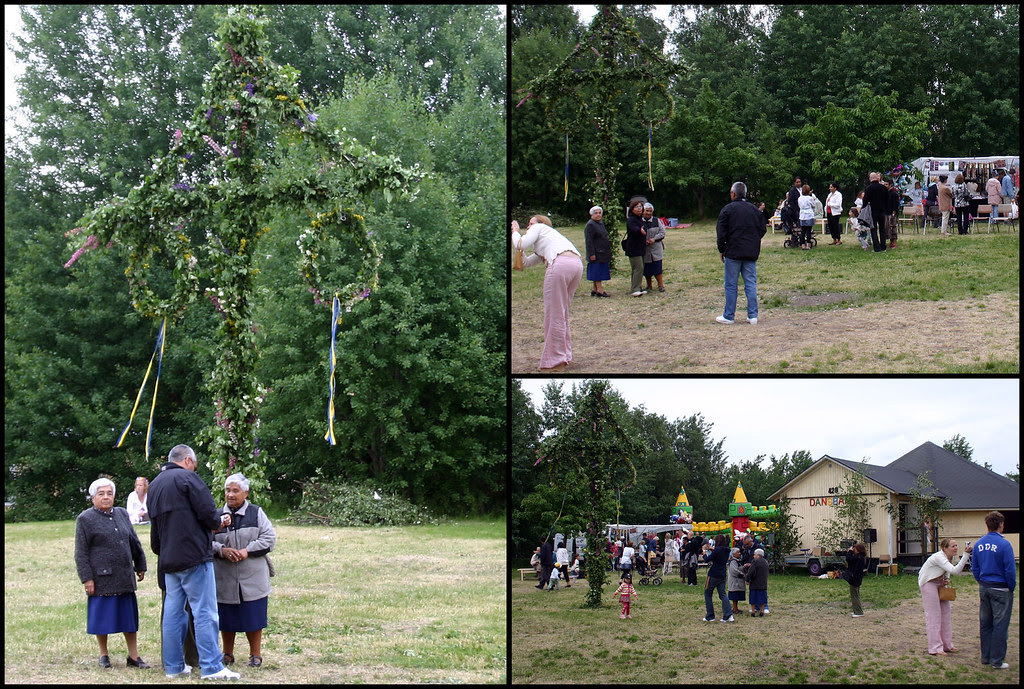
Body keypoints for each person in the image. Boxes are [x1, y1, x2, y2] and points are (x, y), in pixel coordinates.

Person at [147, 444, 239, 680]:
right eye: (195, 464)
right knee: (205, 611)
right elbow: (208, 514)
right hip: (194, 555)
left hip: (168, 558)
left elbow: (155, 527)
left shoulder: (154, 485)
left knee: (173, 613)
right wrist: (220, 520)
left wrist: (161, 551)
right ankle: (212, 666)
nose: (195, 468)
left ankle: (174, 666)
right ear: (187, 460)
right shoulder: (188, 479)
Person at [75, 478, 150, 669]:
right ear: (93, 497)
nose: (106, 497)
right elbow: (81, 553)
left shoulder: (122, 514)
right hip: (101, 578)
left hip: (124, 575)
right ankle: (104, 655)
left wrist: (140, 564)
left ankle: (133, 656)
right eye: (101, 494)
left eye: (109, 493)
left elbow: (134, 541)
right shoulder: (85, 519)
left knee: (129, 619)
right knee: (101, 618)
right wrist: (87, 578)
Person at [213, 473, 276, 668]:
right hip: (224, 577)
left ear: (246, 493)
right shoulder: (216, 516)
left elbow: (269, 538)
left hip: (253, 577)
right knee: (226, 616)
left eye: (235, 490)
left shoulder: (256, 513)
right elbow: (204, 541)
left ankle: (255, 655)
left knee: (254, 616)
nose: (230, 494)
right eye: (227, 490)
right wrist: (221, 550)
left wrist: (246, 551)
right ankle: (227, 653)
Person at [511, 216, 583, 372]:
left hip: (559, 264)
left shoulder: (540, 228)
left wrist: (515, 231)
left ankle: (555, 362)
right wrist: (519, 249)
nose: (528, 227)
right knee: (562, 313)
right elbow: (525, 262)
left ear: (541, 224)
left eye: (531, 223)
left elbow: (520, 243)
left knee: (554, 314)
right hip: (576, 265)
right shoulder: (550, 241)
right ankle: (564, 355)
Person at [715, 181, 767, 325]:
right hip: (750, 252)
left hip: (733, 251)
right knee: (750, 283)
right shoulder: (755, 210)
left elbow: (721, 231)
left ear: (733, 194)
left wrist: (722, 249)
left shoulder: (728, 210)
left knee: (731, 284)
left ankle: (729, 315)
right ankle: (753, 315)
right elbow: (762, 229)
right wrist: (754, 240)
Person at [971, 510, 1016, 670]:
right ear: (1001, 525)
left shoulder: (979, 544)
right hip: (1001, 588)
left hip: (985, 587)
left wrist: (981, 580)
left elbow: (974, 567)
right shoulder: (1005, 544)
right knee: (1000, 624)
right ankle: (997, 660)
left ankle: (986, 657)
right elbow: (1010, 569)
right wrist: (1011, 586)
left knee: (985, 623)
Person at [917, 537, 972, 656]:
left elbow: (947, 570)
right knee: (934, 615)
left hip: (939, 583)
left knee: (946, 613)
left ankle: (947, 645)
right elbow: (955, 570)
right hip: (928, 583)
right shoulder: (939, 557)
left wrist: (946, 579)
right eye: (953, 546)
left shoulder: (949, 557)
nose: (955, 548)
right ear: (944, 548)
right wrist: (966, 555)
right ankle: (935, 647)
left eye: (956, 545)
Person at [702, 534, 732, 622]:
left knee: (708, 593)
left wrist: (704, 552)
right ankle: (728, 614)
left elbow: (707, 559)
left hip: (713, 574)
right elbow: (718, 553)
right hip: (722, 574)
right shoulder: (727, 550)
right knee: (723, 594)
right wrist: (712, 549)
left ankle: (710, 615)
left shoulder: (717, 550)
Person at [583, 206, 611, 298]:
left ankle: (594, 289)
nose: (598, 215)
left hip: (603, 251)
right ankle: (600, 290)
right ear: (591, 214)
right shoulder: (590, 225)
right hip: (596, 252)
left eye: (600, 213)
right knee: (597, 271)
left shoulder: (600, 223)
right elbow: (589, 241)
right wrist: (592, 253)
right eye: (596, 213)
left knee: (599, 270)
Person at [625, 199, 647, 297]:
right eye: (637, 207)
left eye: (640, 206)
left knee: (640, 268)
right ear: (632, 209)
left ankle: (638, 287)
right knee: (638, 268)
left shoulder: (640, 219)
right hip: (633, 248)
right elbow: (634, 230)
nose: (639, 208)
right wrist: (639, 230)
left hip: (641, 247)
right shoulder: (631, 220)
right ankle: (635, 289)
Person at [641, 203, 666, 292]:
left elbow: (662, 232)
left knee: (657, 267)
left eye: (650, 211)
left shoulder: (657, 220)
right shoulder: (639, 221)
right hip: (645, 249)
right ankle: (649, 285)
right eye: (647, 211)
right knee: (647, 269)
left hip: (656, 248)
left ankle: (660, 285)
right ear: (643, 211)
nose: (648, 213)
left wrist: (654, 239)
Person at [863, 172, 889, 252]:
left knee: (873, 229)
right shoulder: (883, 188)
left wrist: (863, 209)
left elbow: (865, 200)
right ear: (877, 178)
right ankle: (883, 246)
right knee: (882, 229)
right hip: (882, 211)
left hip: (873, 211)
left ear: (870, 179)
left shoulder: (868, 188)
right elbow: (887, 199)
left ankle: (876, 247)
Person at [744, 548, 769, 617]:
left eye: (754, 554)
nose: (753, 556)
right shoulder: (766, 562)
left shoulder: (754, 561)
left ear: (758, 555)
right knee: (762, 598)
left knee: (753, 598)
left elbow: (751, 572)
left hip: (754, 583)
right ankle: (762, 611)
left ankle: (753, 611)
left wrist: (747, 579)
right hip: (763, 583)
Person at [845, 543, 867, 617]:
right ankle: (857, 611)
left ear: (858, 550)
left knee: (854, 596)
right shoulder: (861, 557)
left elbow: (848, 559)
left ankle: (858, 612)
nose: (854, 550)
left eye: (855, 549)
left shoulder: (858, 557)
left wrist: (850, 551)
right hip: (858, 578)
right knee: (856, 595)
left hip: (854, 578)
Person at [727, 547, 746, 618]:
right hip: (735, 581)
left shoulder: (738, 561)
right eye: (738, 552)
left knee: (737, 595)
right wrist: (742, 575)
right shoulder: (733, 562)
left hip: (737, 581)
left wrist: (744, 567)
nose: (739, 553)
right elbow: (734, 571)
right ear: (734, 554)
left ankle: (736, 608)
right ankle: (735, 608)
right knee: (735, 595)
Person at [797, 184, 815, 250]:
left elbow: (799, 205)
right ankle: (808, 244)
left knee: (803, 231)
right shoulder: (810, 198)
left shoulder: (800, 198)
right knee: (808, 231)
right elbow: (813, 205)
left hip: (802, 215)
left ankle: (802, 245)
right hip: (809, 214)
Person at [885, 179, 901, 247]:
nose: (885, 186)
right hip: (886, 212)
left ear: (890, 185)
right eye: (884, 184)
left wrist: (894, 212)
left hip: (892, 213)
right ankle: (888, 240)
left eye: (886, 184)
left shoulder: (894, 193)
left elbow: (896, 204)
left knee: (892, 226)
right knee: (886, 227)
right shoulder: (885, 193)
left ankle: (894, 241)